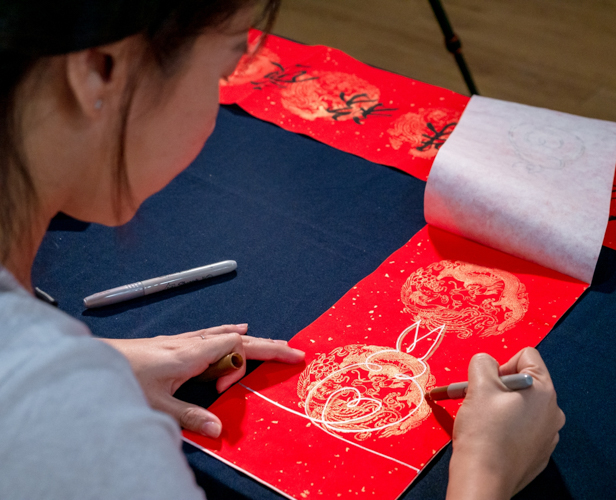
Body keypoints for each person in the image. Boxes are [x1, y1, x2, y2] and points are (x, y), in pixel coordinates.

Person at [0, 1, 564, 499]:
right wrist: (485, 475)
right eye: (223, 73)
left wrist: (104, 363)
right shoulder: (63, 427)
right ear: (101, 70)